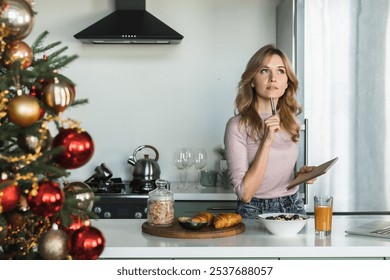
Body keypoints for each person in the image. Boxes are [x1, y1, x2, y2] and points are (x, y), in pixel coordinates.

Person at [224, 44, 316, 219]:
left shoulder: (291, 122)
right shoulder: (237, 125)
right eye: (265, 71)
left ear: (287, 82)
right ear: (252, 80)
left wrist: (298, 177)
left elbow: (274, 176)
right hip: (254, 209)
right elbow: (245, 194)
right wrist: (266, 142)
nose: (274, 78)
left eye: (280, 71)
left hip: (293, 205)